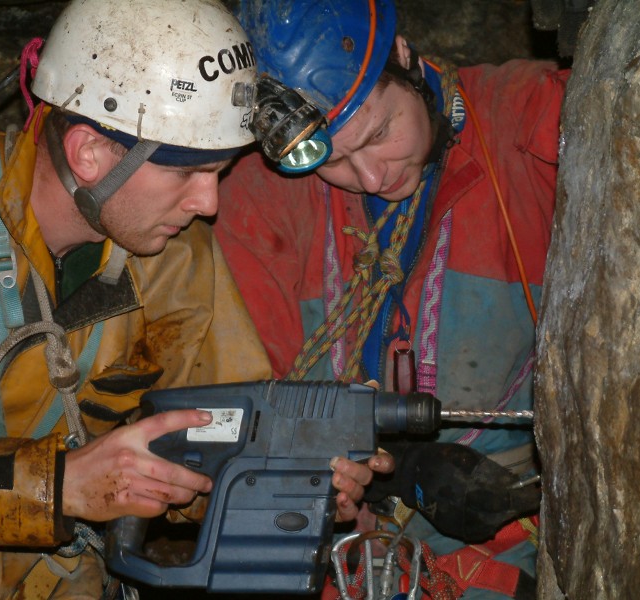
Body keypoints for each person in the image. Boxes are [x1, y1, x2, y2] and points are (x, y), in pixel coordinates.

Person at [0, 0, 388, 597]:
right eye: (186, 173)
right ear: (89, 153)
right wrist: (57, 484)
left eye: (219, 171)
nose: (209, 203)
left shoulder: (173, 252)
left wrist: (294, 476)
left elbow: (221, 431)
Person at [215, 0, 570, 598]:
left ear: (404, 56)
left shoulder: (521, 121)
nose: (373, 177)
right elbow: (241, 409)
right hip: (338, 551)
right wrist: (384, 474)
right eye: (332, 160)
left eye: (379, 133)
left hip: (514, 539)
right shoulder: (258, 197)